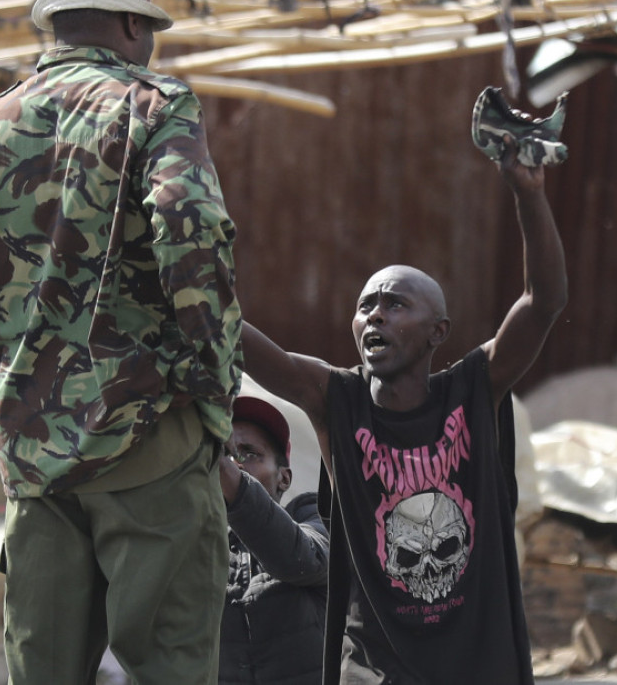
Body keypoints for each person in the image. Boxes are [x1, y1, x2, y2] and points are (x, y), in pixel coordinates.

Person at [0, 0, 242, 684]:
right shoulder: (154, 106)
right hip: (148, 435)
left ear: (59, 24)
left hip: (34, 454)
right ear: (131, 27)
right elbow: (192, 240)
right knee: (170, 666)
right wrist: (214, 389)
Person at [242, 131, 567, 684]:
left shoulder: (474, 388)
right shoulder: (335, 399)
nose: (376, 315)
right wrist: (182, 262)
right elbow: (233, 336)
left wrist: (528, 192)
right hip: (377, 667)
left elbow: (544, 302)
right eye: (366, 306)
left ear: (438, 331)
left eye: (395, 305)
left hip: (476, 665)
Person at [219, 395, 329, 684]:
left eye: (248, 453)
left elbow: (307, 559)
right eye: (225, 453)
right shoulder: (193, 540)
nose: (234, 464)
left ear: (284, 478)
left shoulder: (315, 515)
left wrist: (229, 476)